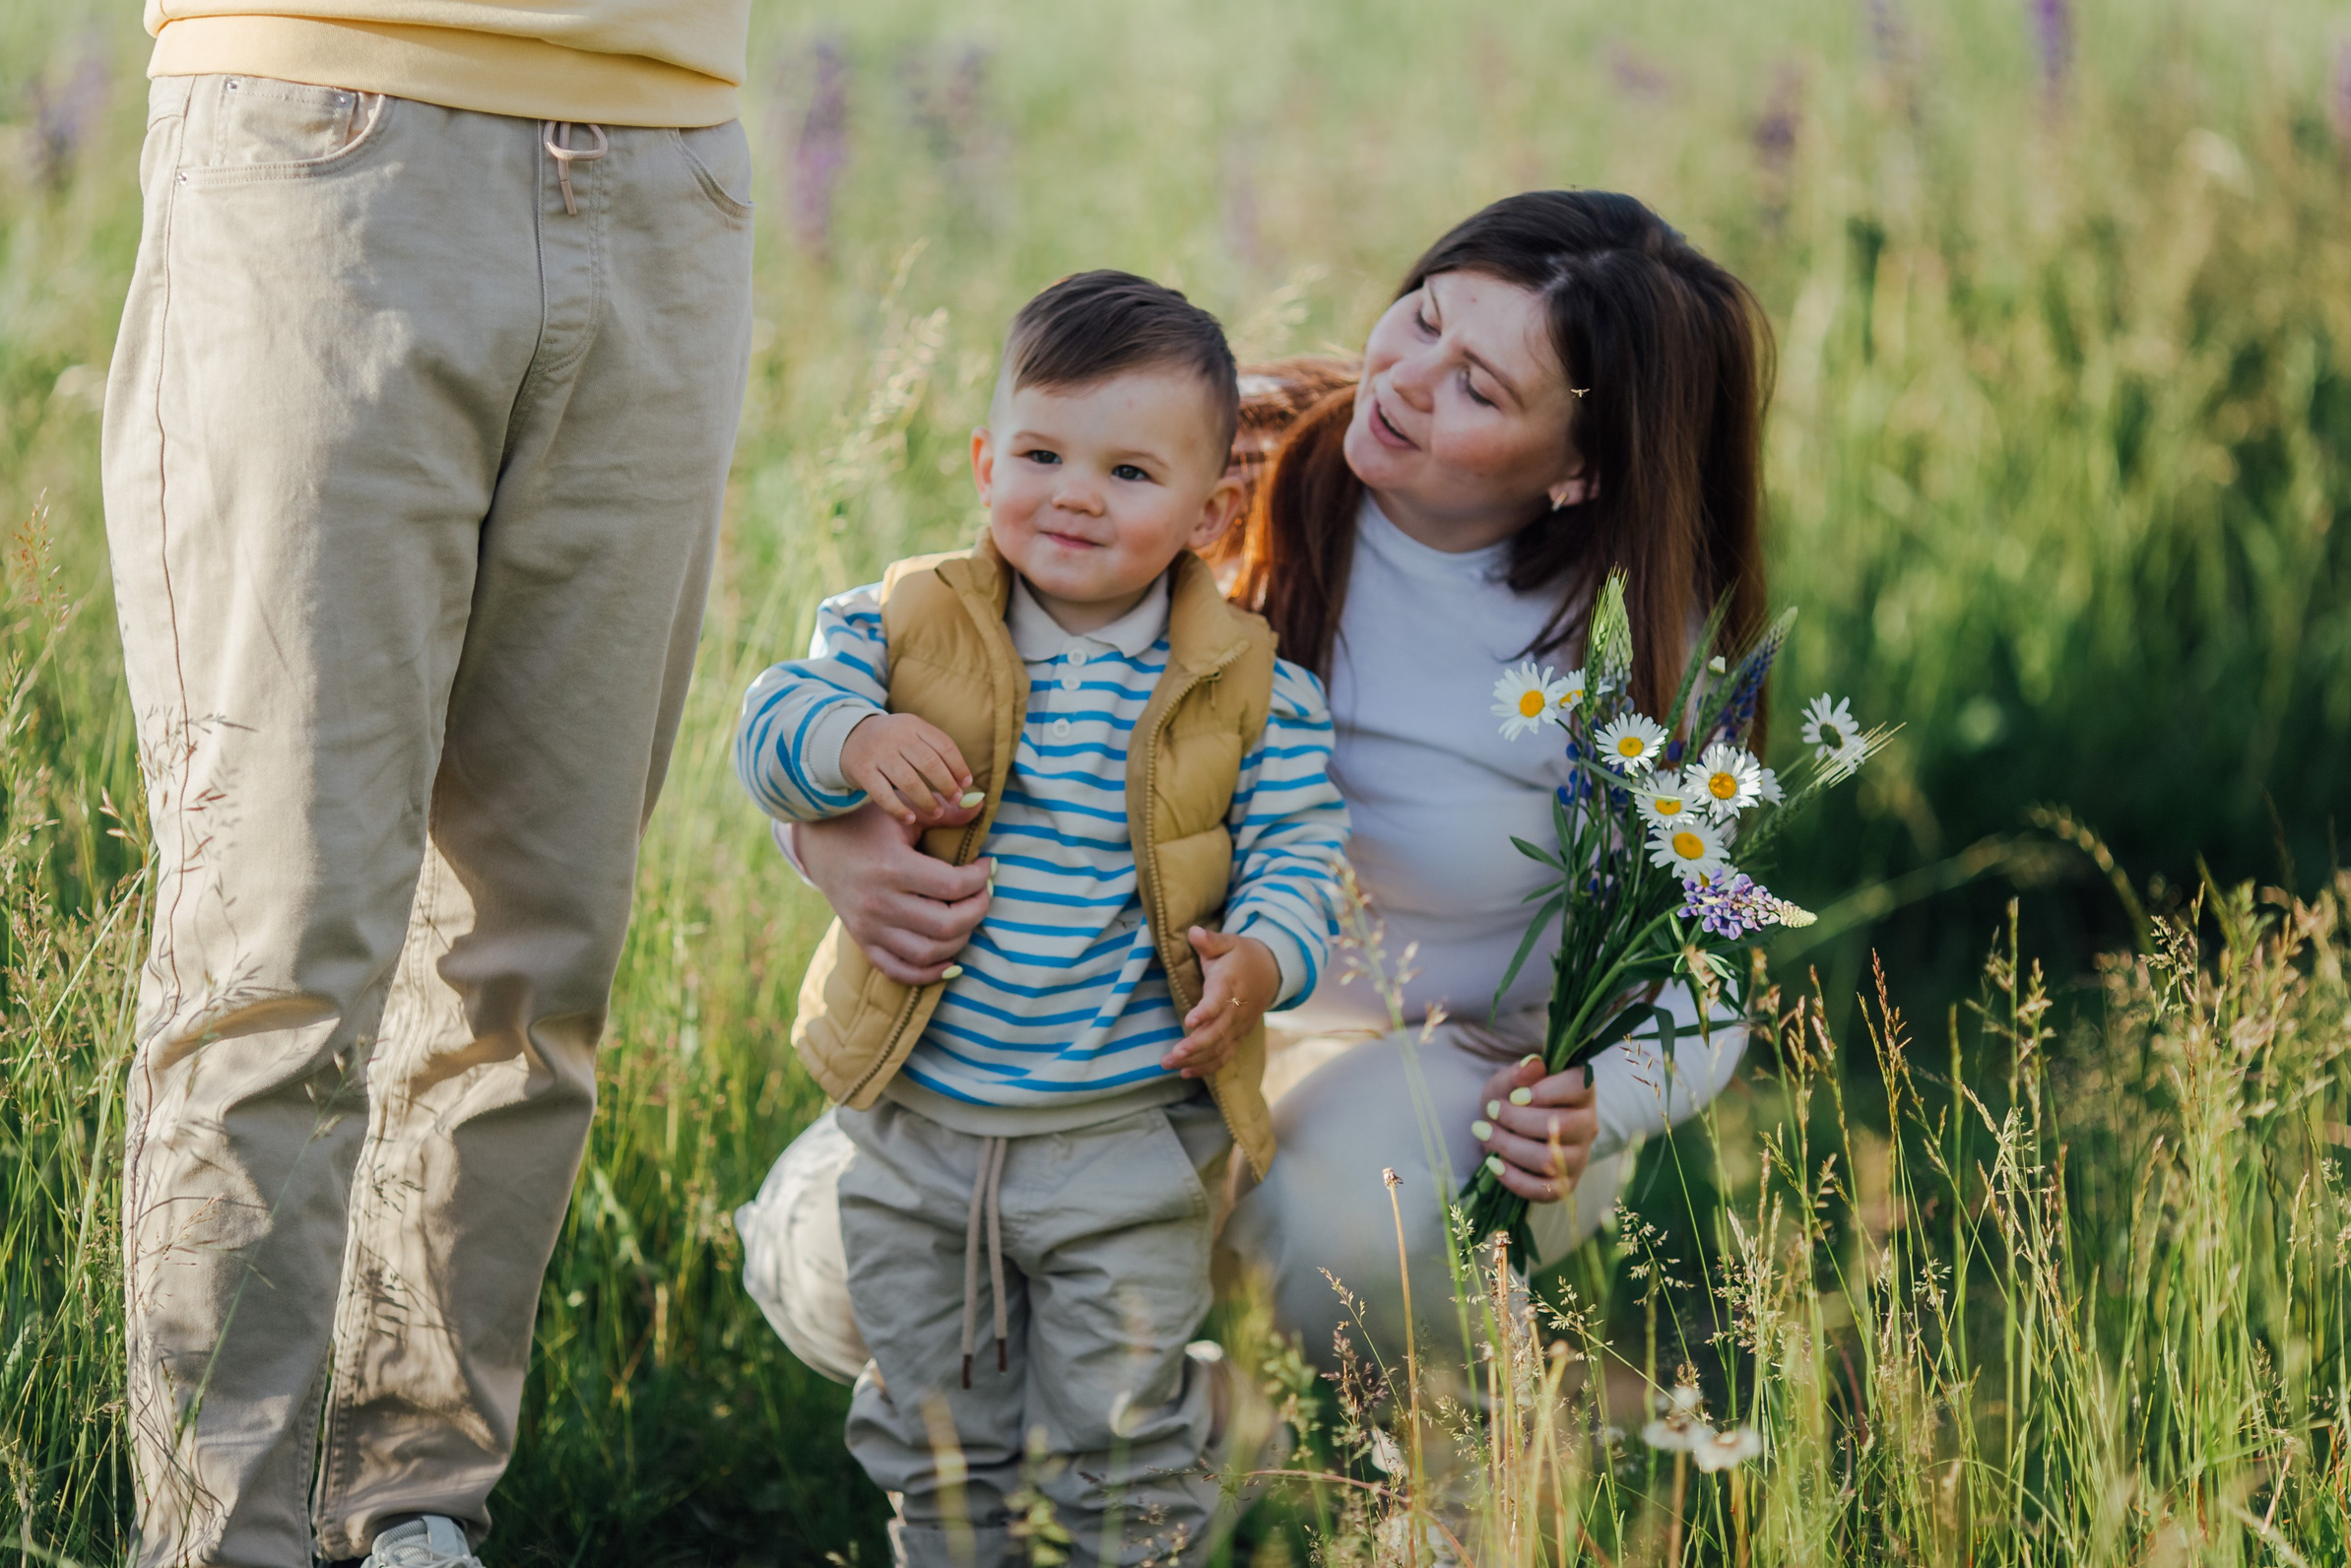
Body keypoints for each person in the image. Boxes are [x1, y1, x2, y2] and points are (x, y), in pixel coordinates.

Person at [751, 191, 1765, 1415]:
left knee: (1341, 1229)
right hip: (1137, 1005)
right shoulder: (1230, 450)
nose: (1404, 379)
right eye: (1423, 317)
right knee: (842, 1262)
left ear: (1580, 467)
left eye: (1478, 388)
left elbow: (1702, 967)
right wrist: (832, 842)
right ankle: (1144, 1441)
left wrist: (1603, 1101)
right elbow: (925, 662)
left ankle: (1282, 1443)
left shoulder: (1632, 647)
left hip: (1450, 1066)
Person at [100, 0, 760, 1564]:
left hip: (666, 153)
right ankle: (227, 1538)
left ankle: (406, 1507)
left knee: (536, 955)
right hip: (327, 125)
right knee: (276, 943)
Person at [732, 273, 1348, 1565]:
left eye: (1128, 472)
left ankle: (1170, 1482)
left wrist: (1262, 956)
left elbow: (1303, 855)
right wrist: (851, 740)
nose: (1074, 494)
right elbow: (770, 725)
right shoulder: (895, 625)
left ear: (1208, 512)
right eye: (1041, 455)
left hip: (1123, 1133)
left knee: (1117, 1446)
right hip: (920, 1127)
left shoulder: (1251, 687)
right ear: (984, 462)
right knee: (936, 1440)